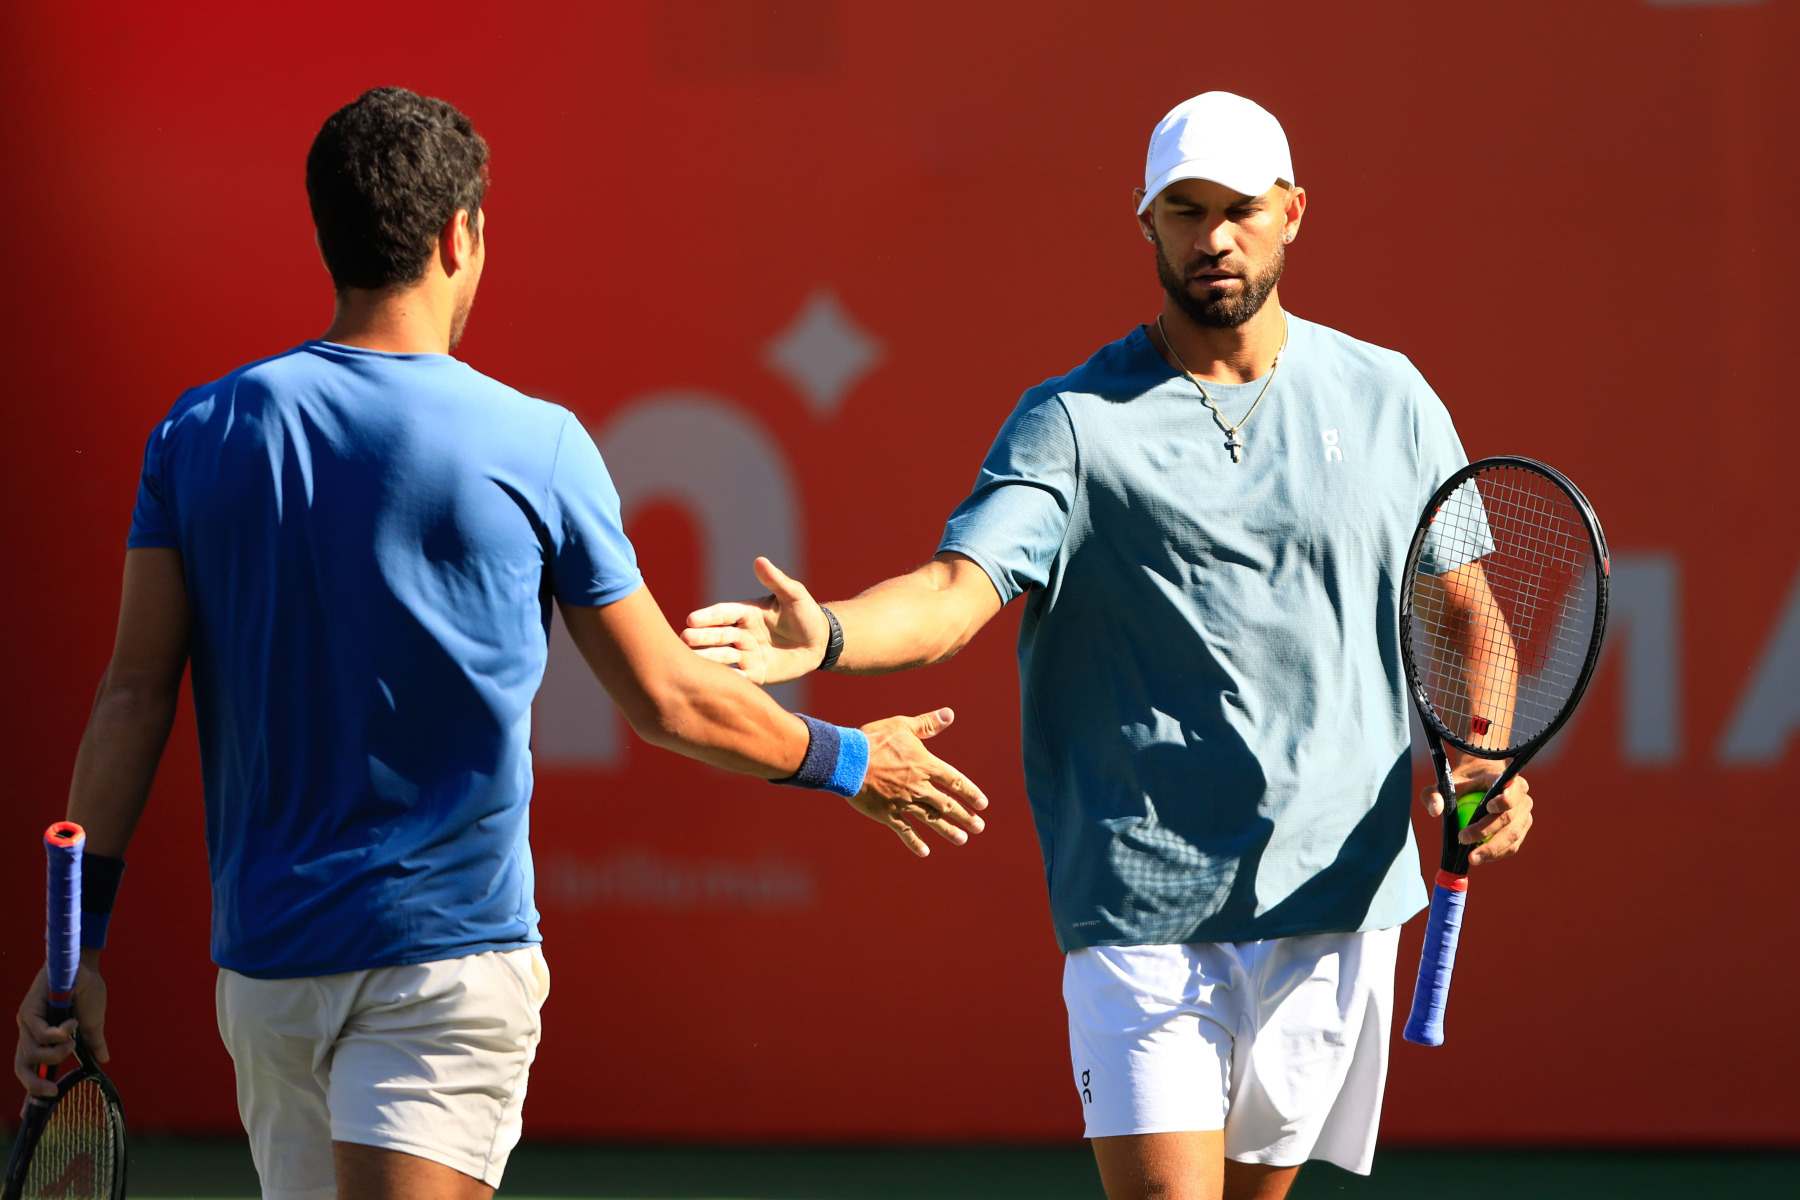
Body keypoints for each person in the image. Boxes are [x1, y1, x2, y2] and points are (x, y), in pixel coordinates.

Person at [10, 87, 986, 1200]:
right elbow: (668, 700)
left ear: (329, 236)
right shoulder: (538, 445)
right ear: (458, 236)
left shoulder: (196, 435)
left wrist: (78, 951)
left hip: (269, 980)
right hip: (443, 965)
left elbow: (131, 700)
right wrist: (852, 759)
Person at [681, 91, 1533, 1200]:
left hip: (1337, 900)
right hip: (1142, 910)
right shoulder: (1073, 422)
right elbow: (952, 593)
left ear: (1292, 212)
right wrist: (830, 634)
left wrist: (1483, 760)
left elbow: (1466, 614)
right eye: (1185, 211)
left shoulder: (1391, 398)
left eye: (1239, 209)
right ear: (1146, 222)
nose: (1214, 237)